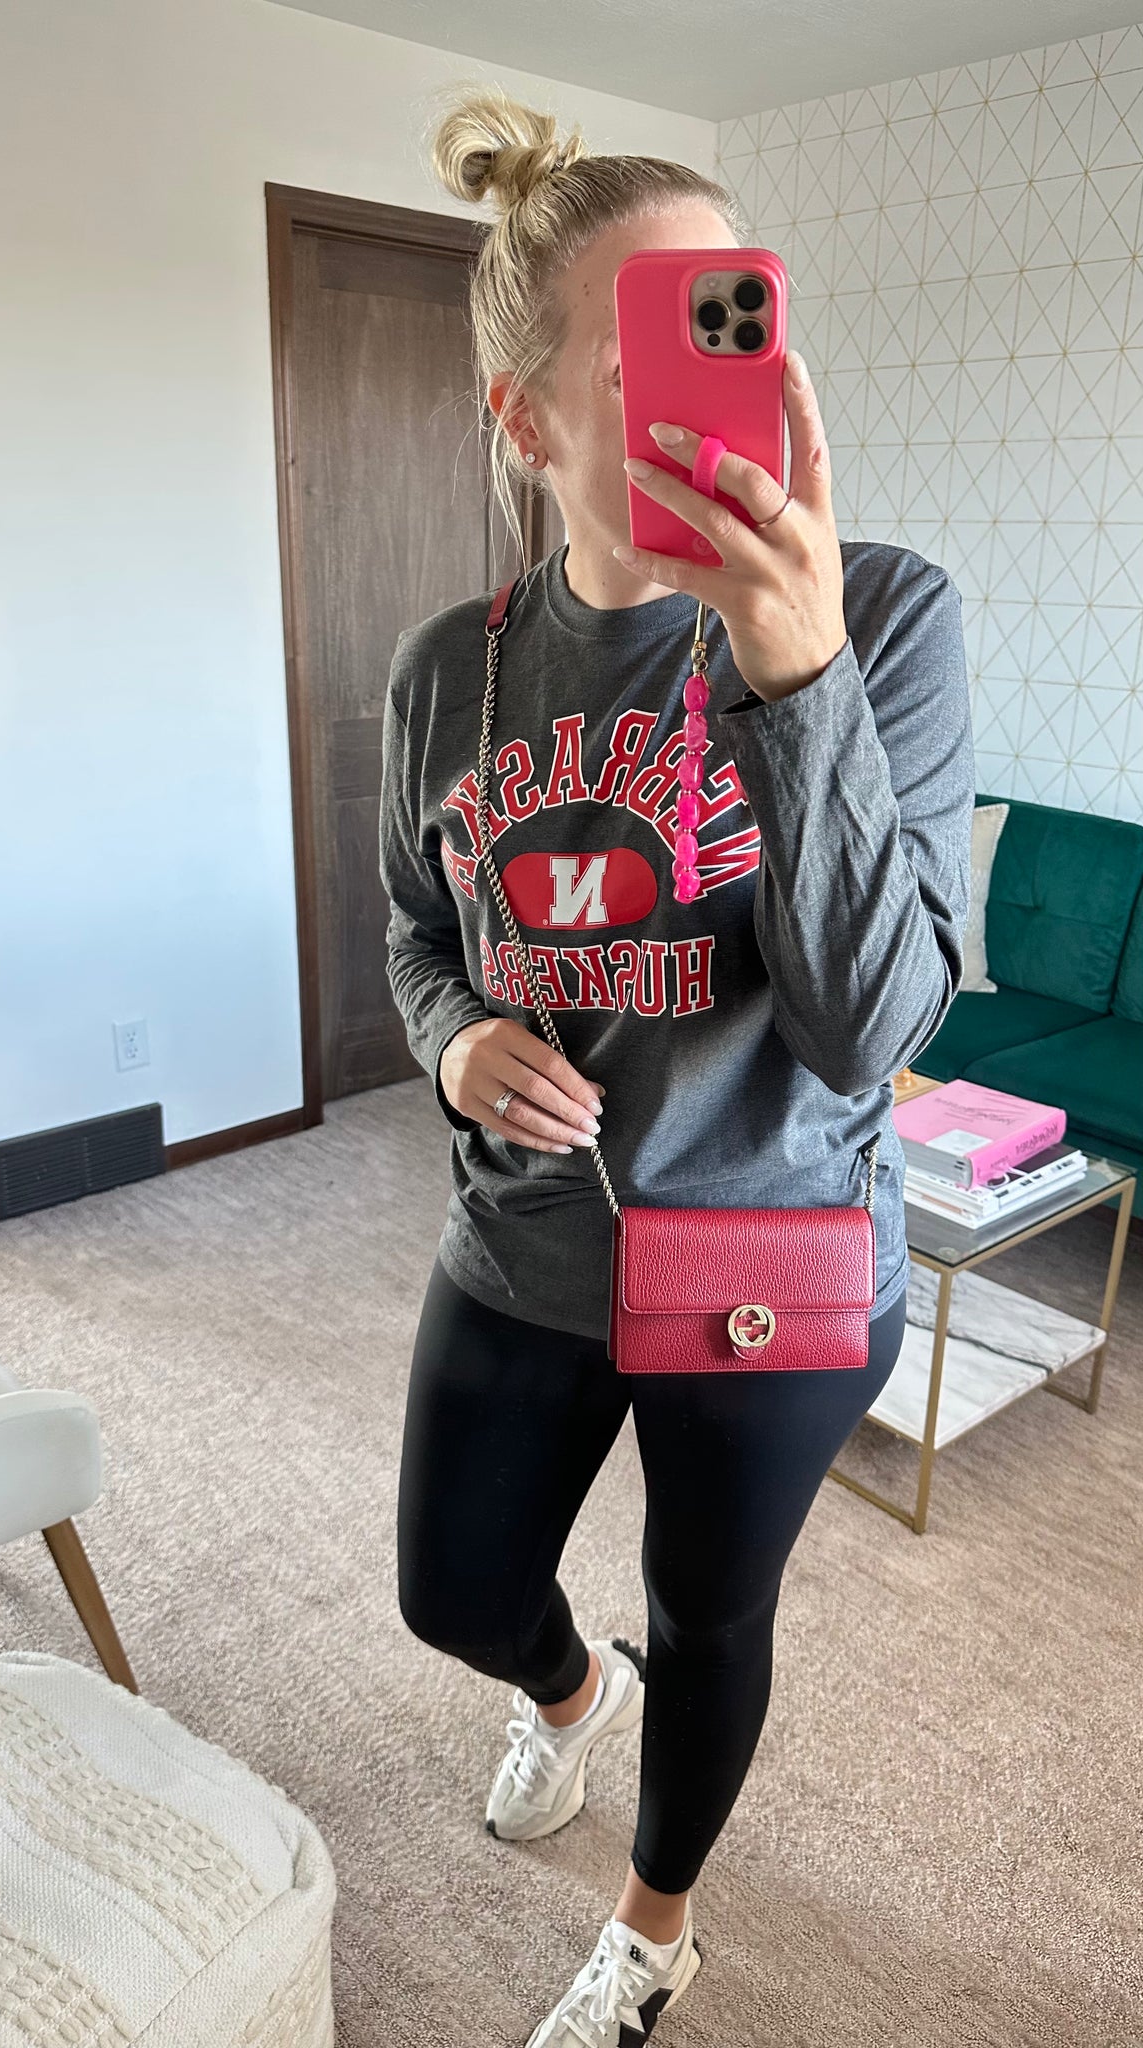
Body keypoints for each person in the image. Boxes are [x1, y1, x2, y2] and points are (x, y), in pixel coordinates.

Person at [378, 84, 976, 2047]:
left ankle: (656, 1929)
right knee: (452, 1587)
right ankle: (569, 1696)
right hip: (530, 1239)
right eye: (661, 346)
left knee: (712, 1612)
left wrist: (796, 673)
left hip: (773, 1260)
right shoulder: (448, 672)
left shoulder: (883, 617)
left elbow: (873, 1024)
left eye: (740, 323)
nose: (726, 389)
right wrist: (455, 1037)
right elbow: (415, 931)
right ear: (526, 419)